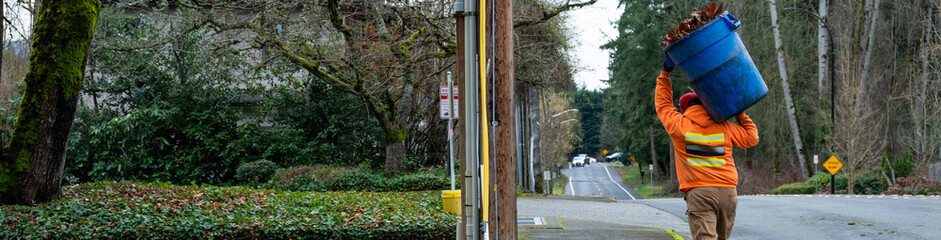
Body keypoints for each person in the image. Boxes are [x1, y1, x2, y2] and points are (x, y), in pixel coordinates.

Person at [656, 58, 759, 240]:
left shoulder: (679, 125)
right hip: (728, 192)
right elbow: (752, 138)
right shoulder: (725, 127)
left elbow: (663, 105)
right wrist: (739, 112)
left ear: (683, 109)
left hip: (699, 192)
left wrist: (665, 73)